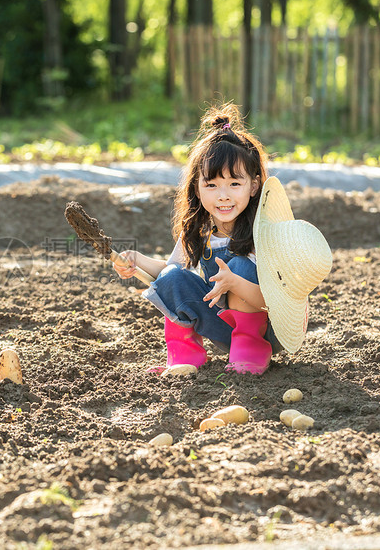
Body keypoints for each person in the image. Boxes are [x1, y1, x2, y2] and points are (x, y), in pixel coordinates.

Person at [113, 104, 332, 375]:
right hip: (223, 327)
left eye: (234, 184)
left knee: (240, 265)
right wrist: (138, 261)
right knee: (171, 277)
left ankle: (250, 350)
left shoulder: (262, 235)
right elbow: (174, 271)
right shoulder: (200, 230)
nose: (223, 195)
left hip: (266, 328)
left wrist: (235, 283)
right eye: (212, 185)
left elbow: (272, 301)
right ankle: (185, 355)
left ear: (253, 186)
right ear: (197, 187)